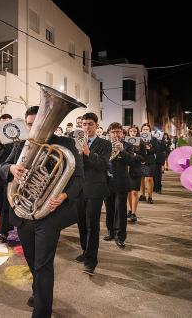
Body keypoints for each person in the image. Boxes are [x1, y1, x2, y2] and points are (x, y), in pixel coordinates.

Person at [0, 106, 84, 318]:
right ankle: (39, 293)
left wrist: (64, 196)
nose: (35, 127)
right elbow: (2, 166)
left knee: (43, 264)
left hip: (49, 214)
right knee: (31, 259)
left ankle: (42, 311)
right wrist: (10, 169)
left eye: (40, 122)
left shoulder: (65, 144)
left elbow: (79, 179)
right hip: (23, 212)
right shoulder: (21, 145)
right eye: (30, 123)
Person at [76, 112, 112, 276]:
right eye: (84, 124)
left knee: (93, 225)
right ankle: (85, 251)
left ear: (96, 126)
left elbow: (104, 165)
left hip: (95, 189)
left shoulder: (105, 143)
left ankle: (91, 261)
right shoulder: (76, 142)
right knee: (82, 224)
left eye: (90, 124)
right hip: (78, 189)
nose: (87, 127)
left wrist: (88, 152)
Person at [103, 123, 134, 248]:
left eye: (118, 131)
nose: (116, 134)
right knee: (109, 209)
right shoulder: (104, 145)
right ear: (109, 133)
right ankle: (111, 231)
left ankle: (120, 236)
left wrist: (122, 151)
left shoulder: (128, 146)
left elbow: (131, 161)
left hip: (121, 182)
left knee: (120, 210)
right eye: (113, 132)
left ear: (122, 133)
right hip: (106, 182)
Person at [0, 114, 14, 243]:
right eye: (1, 123)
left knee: (7, 204)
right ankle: (6, 224)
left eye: (6, 123)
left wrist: (4, 141)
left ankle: (3, 231)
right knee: (0, 204)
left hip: (9, 176)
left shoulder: (15, 139)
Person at [126, 125, 146, 223]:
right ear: (128, 132)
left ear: (137, 132)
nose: (133, 133)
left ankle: (134, 213)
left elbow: (143, 158)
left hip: (136, 170)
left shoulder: (141, 142)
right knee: (129, 192)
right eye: (131, 131)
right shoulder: (124, 142)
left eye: (134, 131)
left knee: (134, 192)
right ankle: (130, 210)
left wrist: (135, 155)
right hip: (126, 171)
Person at [139, 123, 156, 204]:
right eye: (144, 129)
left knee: (149, 178)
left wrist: (149, 148)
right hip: (141, 160)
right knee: (141, 178)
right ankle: (142, 195)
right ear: (141, 130)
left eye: (147, 129)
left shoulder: (153, 139)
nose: (145, 131)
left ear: (149, 130)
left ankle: (150, 196)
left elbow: (156, 150)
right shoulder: (138, 138)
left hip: (150, 160)